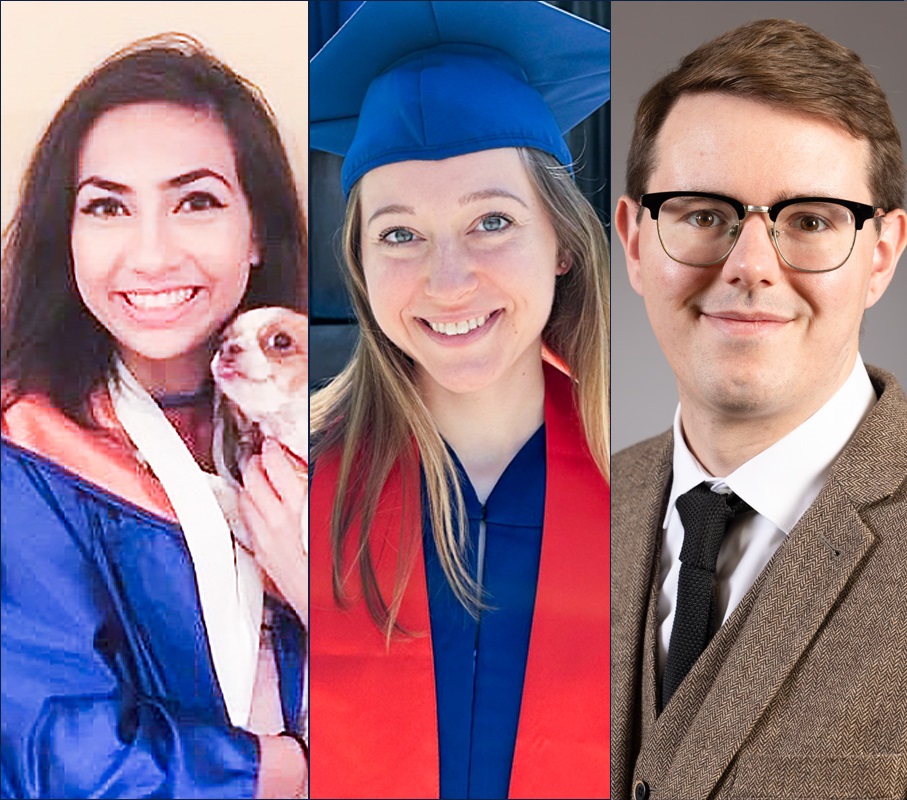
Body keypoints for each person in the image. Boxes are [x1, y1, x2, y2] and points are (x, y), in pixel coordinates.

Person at [304, 2, 610, 797]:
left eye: (491, 221)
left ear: (564, 243)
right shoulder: (282, 481)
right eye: (399, 234)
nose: (447, 281)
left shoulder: (666, 487)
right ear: (360, 263)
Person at [1, 35, 308, 798]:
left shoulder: (340, 428)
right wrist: (298, 769)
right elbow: (62, 754)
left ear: (257, 229)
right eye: (107, 206)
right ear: (65, 235)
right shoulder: (28, 450)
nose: (150, 254)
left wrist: (317, 591)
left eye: (195, 201)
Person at [612, 18, 907, 800]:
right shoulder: (571, 511)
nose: (749, 268)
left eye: (809, 221)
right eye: (703, 214)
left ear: (879, 254)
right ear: (634, 240)